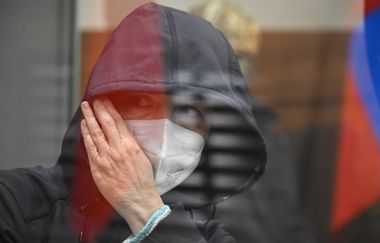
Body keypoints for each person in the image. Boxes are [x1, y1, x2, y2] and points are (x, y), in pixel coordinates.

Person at [0, 3, 266, 243]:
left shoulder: (207, 236)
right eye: (140, 102)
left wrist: (148, 213)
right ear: (100, 108)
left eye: (188, 111)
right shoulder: (15, 206)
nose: (163, 132)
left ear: (211, 132)